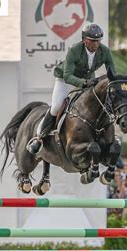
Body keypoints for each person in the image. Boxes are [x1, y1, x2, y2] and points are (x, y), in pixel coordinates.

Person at [27, 23, 117, 155]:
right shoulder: (74, 50)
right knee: (57, 106)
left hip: (88, 79)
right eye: (93, 41)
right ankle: (39, 137)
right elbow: (68, 75)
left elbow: (112, 73)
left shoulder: (105, 51)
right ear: (85, 40)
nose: (96, 44)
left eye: (98, 41)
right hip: (66, 80)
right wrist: (84, 83)